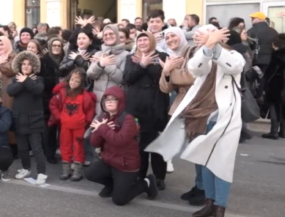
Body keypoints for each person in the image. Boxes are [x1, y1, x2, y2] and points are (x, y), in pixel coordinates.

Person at [147, 25, 245, 217]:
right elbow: (195, 68)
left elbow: (234, 66)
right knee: (204, 160)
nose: (201, 40)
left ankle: (220, 207)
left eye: (206, 36)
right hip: (201, 116)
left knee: (221, 163)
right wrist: (208, 47)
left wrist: (214, 45)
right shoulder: (203, 54)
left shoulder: (234, 55)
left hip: (224, 117)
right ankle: (209, 202)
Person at [85, 86, 159, 206]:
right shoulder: (102, 117)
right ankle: (112, 186)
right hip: (109, 160)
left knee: (119, 200)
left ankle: (146, 183)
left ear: (120, 102)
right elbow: (94, 143)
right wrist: (100, 130)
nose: (109, 101)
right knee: (90, 173)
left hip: (125, 164)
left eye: (113, 99)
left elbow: (119, 140)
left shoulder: (128, 119)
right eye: (106, 99)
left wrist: (103, 128)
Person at [158, 27, 203, 205]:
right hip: (184, 108)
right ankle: (199, 185)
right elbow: (165, 87)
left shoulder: (193, 52)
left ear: (182, 36)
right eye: (167, 37)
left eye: (173, 35)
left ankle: (204, 189)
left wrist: (170, 72)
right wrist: (167, 71)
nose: (169, 39)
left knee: (200, 149)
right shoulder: (171, 57)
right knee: (194, 150)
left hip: (198, 107)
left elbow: (192, 76)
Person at [123, 31, 169, 191]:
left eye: (145, 40)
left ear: (151, 41)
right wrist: (141, 64)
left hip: (156, 105)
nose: (142, 43)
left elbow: (161, 76)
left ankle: (159, 177)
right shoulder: (131, 58)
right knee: (138, 143)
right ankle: (140, 174)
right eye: (140, 40)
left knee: (156, 143)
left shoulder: (162, 56)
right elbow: (127, 78)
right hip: (136, 105)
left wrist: (147, 63)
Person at [7, 51, 47, 185]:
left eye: (29, 64)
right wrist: (23, 82)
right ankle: (26, 168)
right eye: (23, 64)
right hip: (19, 118)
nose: (26, 66)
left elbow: (38, 90)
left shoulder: (38, 79)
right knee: (22, 147)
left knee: (36, 147)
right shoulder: (15, 78)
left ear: (33, 66)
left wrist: (26, 80)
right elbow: (10, 91)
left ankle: (41, 172)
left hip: (34, 118)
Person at [49, 69, 96, 181]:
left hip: (79, 126)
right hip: (65, 126)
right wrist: (59, 116)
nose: (74, 82)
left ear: (81, 83)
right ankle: (66, 169)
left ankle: (77, 170)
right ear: (68, 79)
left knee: (79, 148)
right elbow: (53, 104)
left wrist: (86, 121)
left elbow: (90, 110)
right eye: (72, 79)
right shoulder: (62, 93)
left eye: (77, 81)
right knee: (65, 147)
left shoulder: (85, 96)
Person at [87, 24, 127, 115]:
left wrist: (106, 65)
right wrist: (100, 64)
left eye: (111, 34)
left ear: (116, 35)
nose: (108, 36)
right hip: (98, 100)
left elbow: (121, 78)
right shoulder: (98, 54)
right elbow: (90, 75)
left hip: (115, 100)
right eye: (105, 35)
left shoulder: (125, 55)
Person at [39, 37, 64, 164]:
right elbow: (41, 80)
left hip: (65, 98)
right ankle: (49, 153)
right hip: (48, 99)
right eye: (54, 45)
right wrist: (56, 81)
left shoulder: (65, 59)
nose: (56, 47)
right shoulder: (43, 61)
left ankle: (61, 151)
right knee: (49, 128)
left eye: (59, 45)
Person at [260, 34, 285, 140]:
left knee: (274, 106)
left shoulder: (277, 55)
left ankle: (274, 131)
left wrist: (264, 86)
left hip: (276, 84)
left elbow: (270, 72)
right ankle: (283, 131)